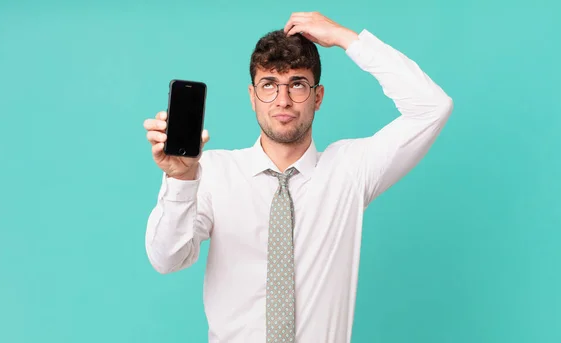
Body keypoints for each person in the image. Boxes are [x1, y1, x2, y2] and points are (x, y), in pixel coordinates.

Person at [143, 11, 453, 343]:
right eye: (269, 85)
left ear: (318, 97)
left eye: (297, 84)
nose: (283, 100)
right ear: (252, 97)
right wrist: (180, 181)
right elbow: (167, 259)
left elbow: (432, 107)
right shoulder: (213, 173)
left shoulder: (349, 170)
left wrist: (344, 37)